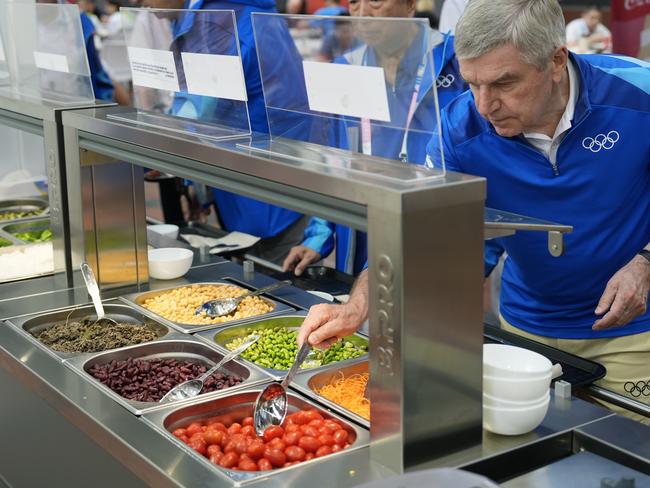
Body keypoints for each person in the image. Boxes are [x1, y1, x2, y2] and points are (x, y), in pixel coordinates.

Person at [298, 0, 650, 421]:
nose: (485, 106)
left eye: (504, 83)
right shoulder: (457, 128)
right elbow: (420, 234)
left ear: (556, 60)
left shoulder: (636, 92)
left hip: (633, 333)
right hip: (525, 329)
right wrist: (358, 306)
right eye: (471, 84)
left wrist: (645, 262)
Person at [282, 0, 467, 277]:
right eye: (354, 3)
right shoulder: (346, 68)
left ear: (410, 5)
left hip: (435, 230)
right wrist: (318, 235)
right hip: (364, 231)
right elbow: (333, 160)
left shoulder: (455, 62)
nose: (363, 14)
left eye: (376, 2)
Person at [143, 0, 308, 265]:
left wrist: (143, 156)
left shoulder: (216, 21)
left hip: (264, 189)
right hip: (272, 179)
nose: (141, 2)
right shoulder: (228, 11)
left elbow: (194, 116)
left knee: (272, 281)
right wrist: (197, 184)